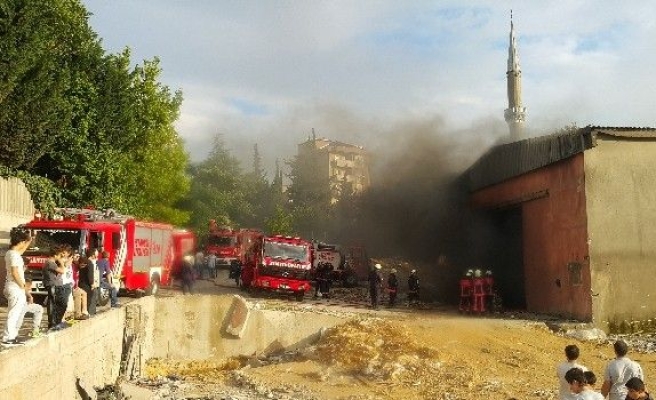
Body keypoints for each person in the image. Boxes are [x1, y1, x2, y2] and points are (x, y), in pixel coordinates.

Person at [2, 228, 32, 346]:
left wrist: (30, 239)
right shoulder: (14, 256)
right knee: (14, 313)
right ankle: (7, 337)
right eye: (24, 242)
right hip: (15, 287)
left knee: (15, 312)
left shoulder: (11, 253)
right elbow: (15, 272)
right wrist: (23, 286)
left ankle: (12, 336)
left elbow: (22, 250)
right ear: (21, 242)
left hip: (11, 286)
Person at [42, 244, 69, 330]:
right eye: (60, 255)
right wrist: (61, 263)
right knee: (57, 304)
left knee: (56, 304)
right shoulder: (50, 263)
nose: (60, 257)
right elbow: (62, 270)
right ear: (55, 255)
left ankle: (55, 322)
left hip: (53, 284)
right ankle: (54, 323)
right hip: (52, 285)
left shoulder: (50, 262)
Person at [17, 273, 45, 338]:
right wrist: (29, 295)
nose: (30, 289)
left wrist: (29, 296)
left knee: (39, 308)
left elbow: (25, 289)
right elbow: (23, 288)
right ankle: (13, 335)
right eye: (29, 287)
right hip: (19, 305)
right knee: (18, 318)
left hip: (24, 304)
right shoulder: (19, 281)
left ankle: (35, 331)